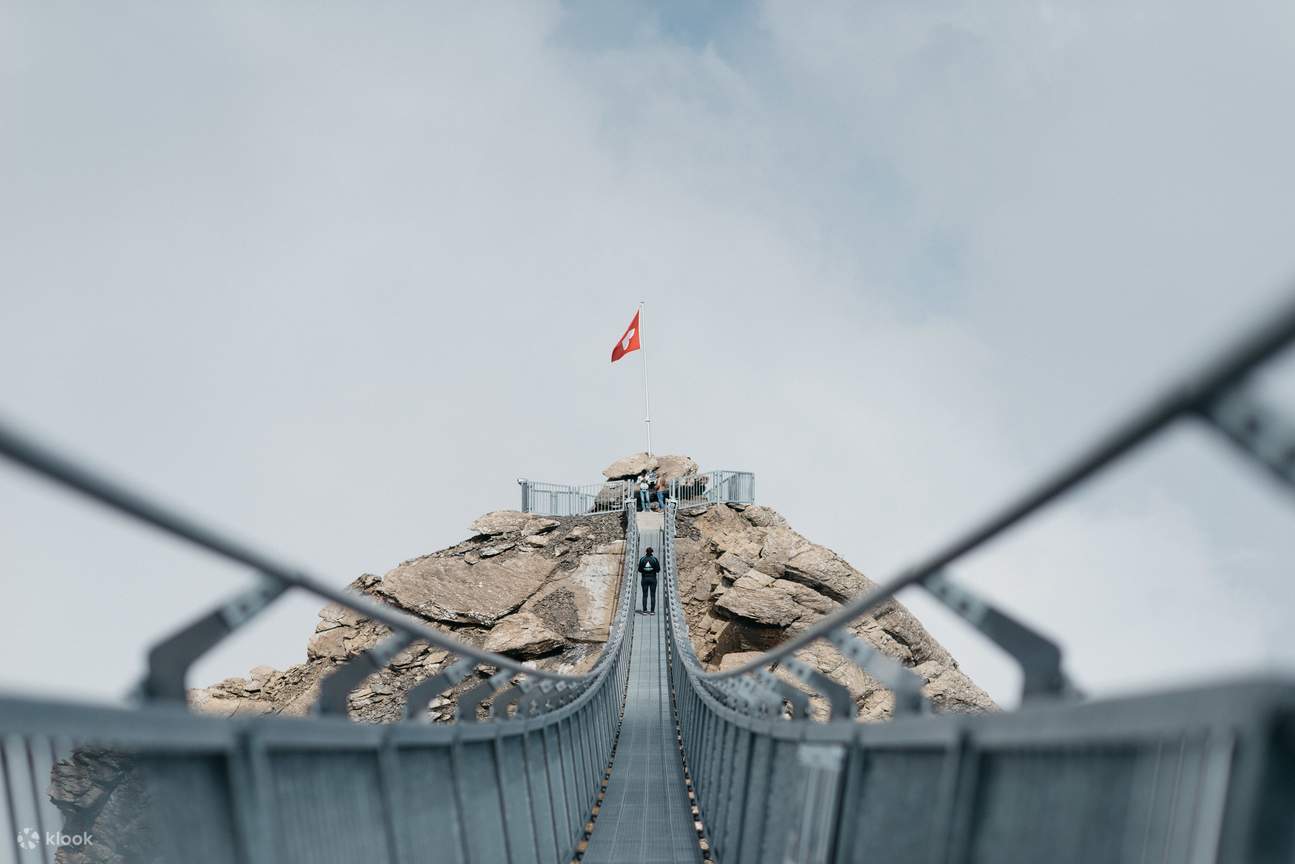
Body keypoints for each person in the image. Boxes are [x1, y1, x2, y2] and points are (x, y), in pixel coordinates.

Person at [637, 546, 660, 614]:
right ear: (652, 552)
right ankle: (652, 611)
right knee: (653, 595)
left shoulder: (642, 559)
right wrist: (652, 570)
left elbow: (639, 570)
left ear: (646, 552)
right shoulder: (655, 559)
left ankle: (644, 610)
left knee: (645, 595)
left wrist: (645, 570)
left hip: (644, 578)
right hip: (653, 578)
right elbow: (658, 570)